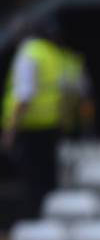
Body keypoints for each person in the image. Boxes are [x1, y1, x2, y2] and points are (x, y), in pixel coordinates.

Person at [1, 18, 67, 218]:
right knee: (48, 179)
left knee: (32, 182)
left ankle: (32, 219)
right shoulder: (51, 53)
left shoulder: (28, 54)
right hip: (51, 123)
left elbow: (24, 94)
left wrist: (10, 130)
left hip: (30, 125)